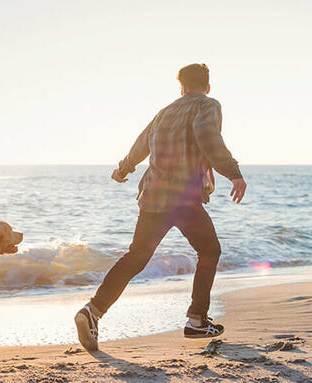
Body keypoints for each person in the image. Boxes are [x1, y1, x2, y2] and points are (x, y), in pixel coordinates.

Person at [74, 63, 247, 351]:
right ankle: (196, 320)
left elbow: (141, 144)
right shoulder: (208, 105)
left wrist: (123, 168)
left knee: (136, 257)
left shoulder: (165, 111)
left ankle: (92, 311)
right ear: (207, 86)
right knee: (209, 250)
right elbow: (208, 137)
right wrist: (234, 171)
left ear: (181, 87)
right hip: (184, 197)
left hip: (153, 196)